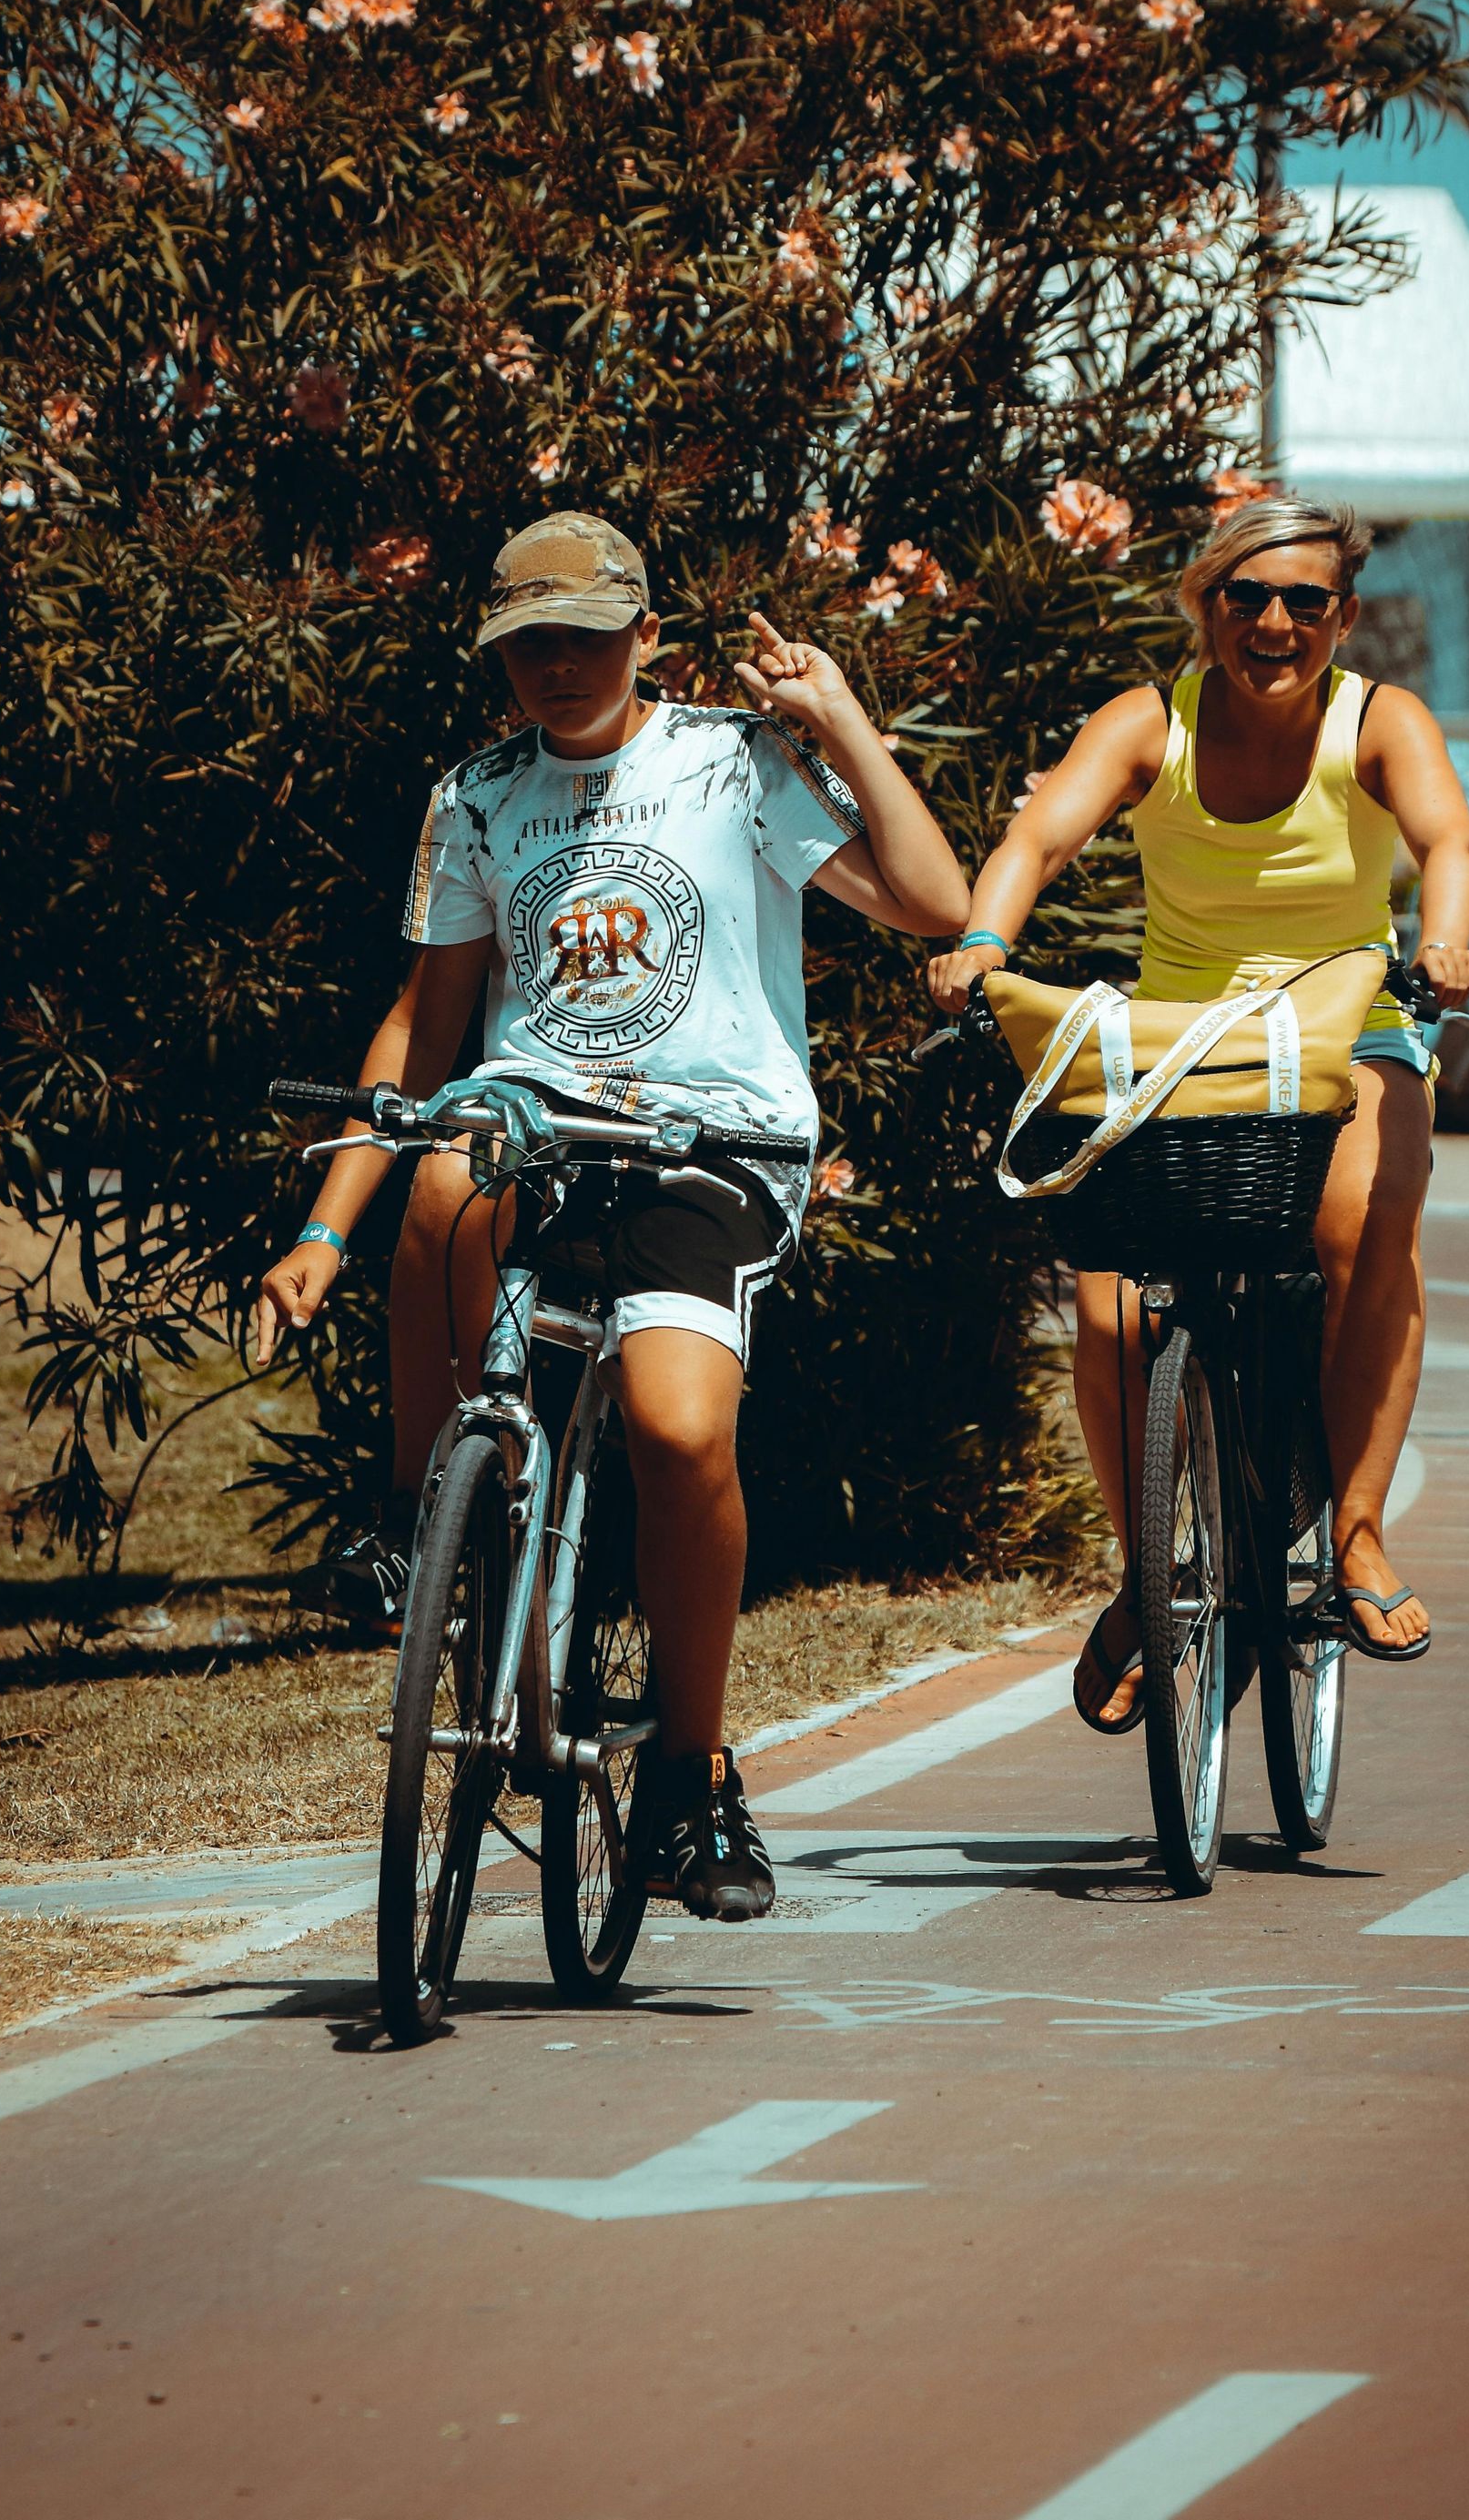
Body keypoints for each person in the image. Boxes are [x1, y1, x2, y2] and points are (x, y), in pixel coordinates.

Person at [254, 511, 969, 1917]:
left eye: (586, 634)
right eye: (528, 642)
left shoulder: (733, 760)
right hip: (536, 1131)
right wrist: (322, 1233)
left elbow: (937, 904)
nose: (557, 664)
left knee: (679, 1426)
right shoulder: (475, 795)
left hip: (711, 1145)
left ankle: (694, 1783)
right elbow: (424, 1021)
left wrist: (841, 720)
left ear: (647, 634)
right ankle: (419, 1517)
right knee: (448, 1171)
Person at [928, 497, 1469, 1726]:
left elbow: (1449, 837)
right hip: (1187, 1040)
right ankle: (1145, 1576)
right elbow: (1038, 835)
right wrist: (980, 937)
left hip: (1351, 1014)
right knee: (1110, 1299)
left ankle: (1356, 1532)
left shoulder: (1379, 720)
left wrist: (1441, 941)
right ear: (1206, 605)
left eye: (1306, 602)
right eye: (1248, 597)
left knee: (1364, 1221)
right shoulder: (1150, 724)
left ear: (1341, 617)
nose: (1275, 623)